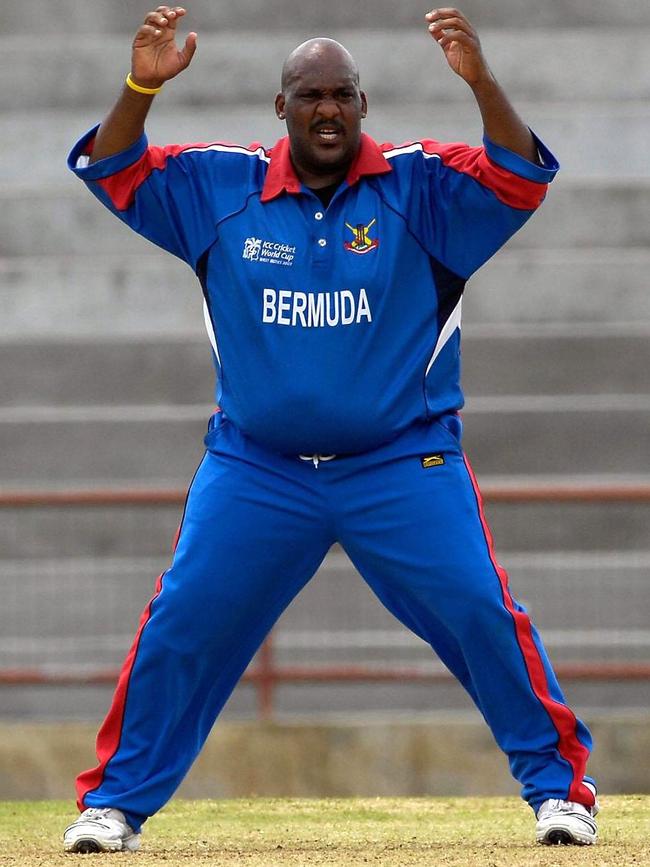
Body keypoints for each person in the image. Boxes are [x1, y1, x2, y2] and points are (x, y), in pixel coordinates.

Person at [64, 5, 599, 853]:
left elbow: (519, 175)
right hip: (259, 468)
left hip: (400, 461)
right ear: (282, 108)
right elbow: (115, 166)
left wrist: (482, 81)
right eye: (310, 95)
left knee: (479, 610)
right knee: (182, 621)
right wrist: (139, 86)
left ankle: (560, 790)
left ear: (363, 104)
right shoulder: (222, 186)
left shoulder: (420, 186)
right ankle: (114, 803)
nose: (327, 110)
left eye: (342, 95)